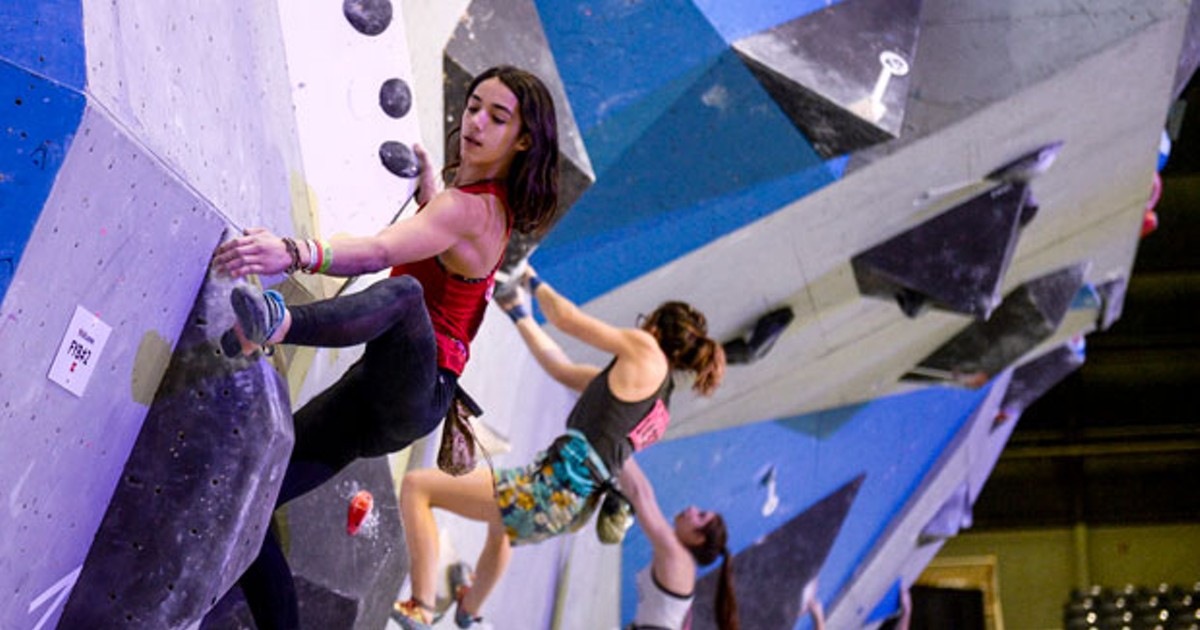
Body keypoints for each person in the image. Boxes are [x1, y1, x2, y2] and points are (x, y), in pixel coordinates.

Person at [209, 65, 560, 630]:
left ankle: (274, 323)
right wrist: (430, 189)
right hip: (383, 391)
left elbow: (377, 253)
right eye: (474, 106)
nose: (475, 122)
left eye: (497, 118)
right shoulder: (474, 205)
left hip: (416, 393)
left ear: (522, 141)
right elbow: (437, 237)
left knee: (402, 295)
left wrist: (292, 253)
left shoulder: (473, 210)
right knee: (253, 496)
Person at [392, 272, 726, 629]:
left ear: (657, 329)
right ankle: (469, 611)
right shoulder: (656, 406)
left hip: (552, 489)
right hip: (573, 506)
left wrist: (531, 278)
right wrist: (520, 313)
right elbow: (561, 368)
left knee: (418, 488)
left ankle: (422, 608)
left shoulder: (646, 352)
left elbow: (567, 319)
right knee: (502, 527)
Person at [620, 457, 738, 630]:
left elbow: (640, 494)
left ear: (699, 539)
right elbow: (643, 496)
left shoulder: (676, 557)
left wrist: (617, 447)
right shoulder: (684, 563)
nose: (692, 509)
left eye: (700, 516)